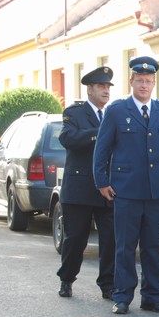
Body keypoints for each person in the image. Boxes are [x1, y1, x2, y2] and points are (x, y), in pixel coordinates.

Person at [93, 56, 159, 315]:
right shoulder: (117, 110)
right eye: (140, 80)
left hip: (156, 192)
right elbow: (102, 149)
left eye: (148, 81)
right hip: (127, 190)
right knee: (125, 246)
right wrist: (102, 181)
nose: (144, 85)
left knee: (152, 246)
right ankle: (122, 296)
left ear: (154, 83)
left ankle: (152, 296)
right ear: (131, 81)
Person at [57, 66, 116, 299]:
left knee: (110, 239)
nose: (105, 91)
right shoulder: (75, 112)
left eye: (107, 87)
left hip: (107, 188)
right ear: (89, 89)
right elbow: (67, 138)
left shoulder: (113, 113)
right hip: (80, 188)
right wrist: (99, 132)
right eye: (101, 87)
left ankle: (108, 285)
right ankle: (67, 279)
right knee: (76, 239)